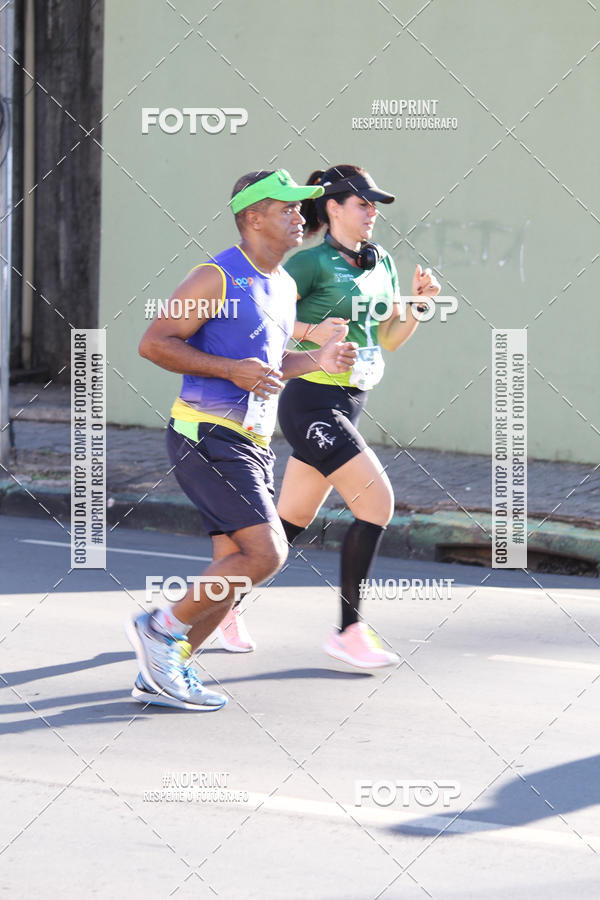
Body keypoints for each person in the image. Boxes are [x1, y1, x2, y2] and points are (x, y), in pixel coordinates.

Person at [126, 169, 358, 710]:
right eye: (287, 209)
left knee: (234, 568)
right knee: (267, 552)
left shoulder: (283, 285)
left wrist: (318, 360)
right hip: (206, 434)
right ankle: (159, 628)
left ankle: (163, 672)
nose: (300, 217)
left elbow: (271, 363)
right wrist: (230, 370)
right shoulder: (214, 277)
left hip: (253, 441)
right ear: (253, 218)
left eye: (300, 208)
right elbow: (154, 343)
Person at [276, 164, 440, 669]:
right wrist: (312, 332)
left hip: (351, 402)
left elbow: (388, 338)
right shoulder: (309, 263)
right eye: (363, 204)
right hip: (310, 402)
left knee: (288, 523)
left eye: (375, 206)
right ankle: (348, 631)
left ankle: (219, 607)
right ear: (333, 207)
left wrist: (417, 306)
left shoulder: (380, 261)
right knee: (377, 504)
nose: (372, 213)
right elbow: (264, 316)